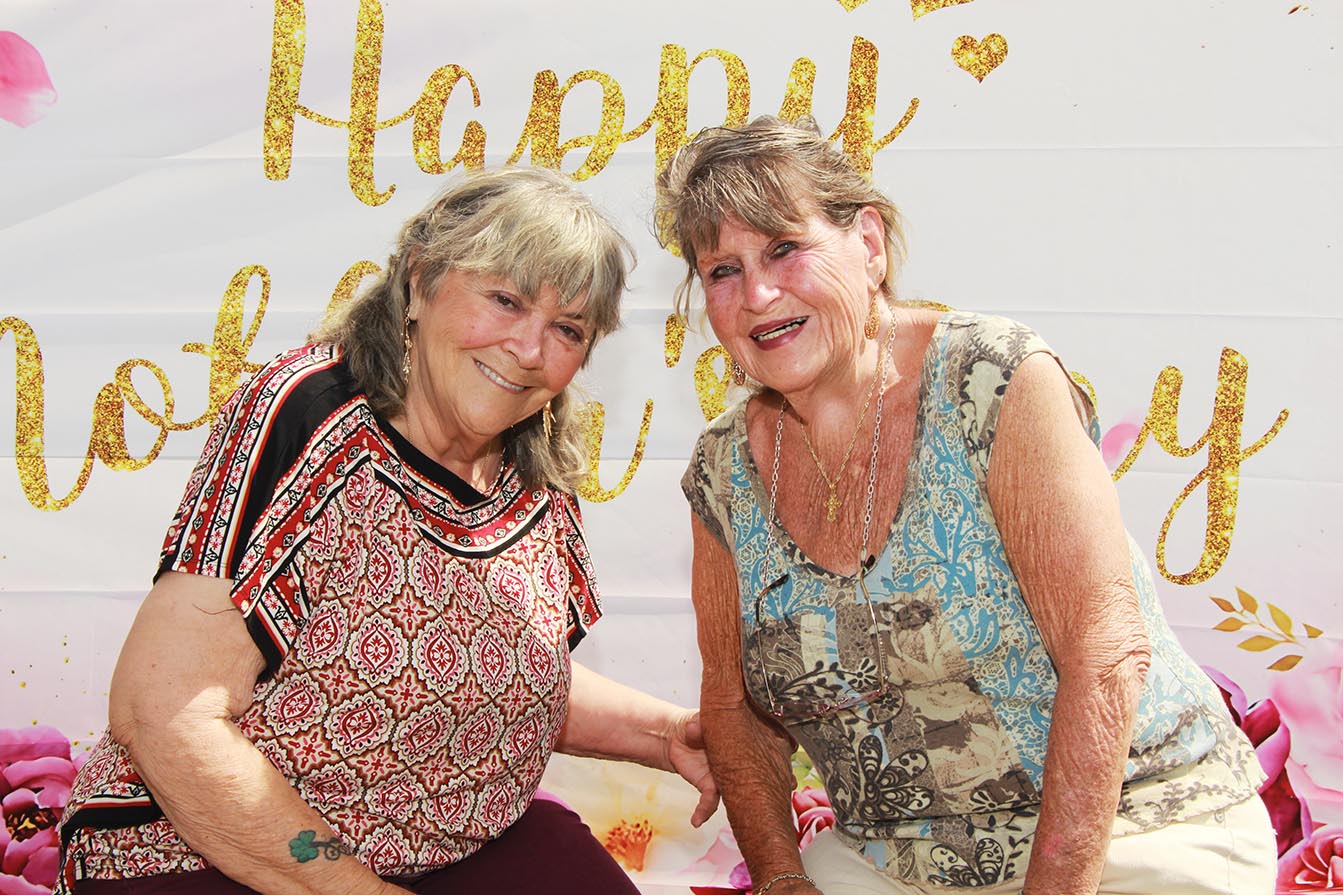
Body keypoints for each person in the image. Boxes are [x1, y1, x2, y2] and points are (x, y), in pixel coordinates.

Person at [656, 116, 1275, 895]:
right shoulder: (722, 470)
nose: (758, 294)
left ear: (869, 244)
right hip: (890, 859)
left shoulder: (992, 380)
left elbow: (1105, 649)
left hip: (1135, 827)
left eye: (784, 249)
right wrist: (782, 879)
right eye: (722, 270)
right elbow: (732, 705)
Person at [56, 167, 718, 895]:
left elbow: (498, 677)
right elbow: (163, 713)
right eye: (505, 300)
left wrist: (667, 737)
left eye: (567, 329)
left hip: (446, 848)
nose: (530, 350)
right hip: (213, 852)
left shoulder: (535, 462)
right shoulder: (309, 412)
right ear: (420, 279)